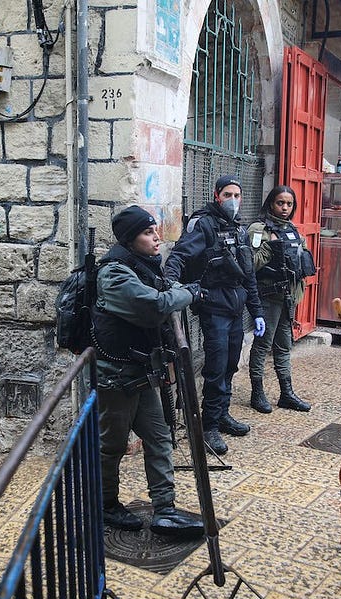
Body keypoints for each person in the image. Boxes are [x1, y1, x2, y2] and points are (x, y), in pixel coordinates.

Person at [93, 205, 205, 538]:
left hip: (139, 374)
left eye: (155, 230)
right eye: (147, 232)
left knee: (158, 438)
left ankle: (165, 510)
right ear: (130, 239)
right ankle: (105, 504)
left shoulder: (141, 266)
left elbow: (159, 296)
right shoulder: (113, 274)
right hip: (115, 376)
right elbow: (154, 305)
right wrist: (187, 292)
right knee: (111, 446)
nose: (157, 237)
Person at [164, 175, 265, 456]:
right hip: (213, 307)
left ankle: (222, 415)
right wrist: (172, 284)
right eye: (228, 195)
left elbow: (248, 275)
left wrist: (256, 311)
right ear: (217, 195)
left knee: (231, 364)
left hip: (235, 309)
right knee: (216, 366)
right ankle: (208, 426)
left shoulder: (239, 229)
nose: (233, 200)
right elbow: (179, 256)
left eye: (238, 195)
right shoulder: (203, 224)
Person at [246, 185, 313, 413]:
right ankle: (257, 392)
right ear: (271, 204)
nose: (285, 208)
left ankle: (287, 393)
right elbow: (249, 265)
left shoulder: (294, 231)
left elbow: (302, 265)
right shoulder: (258, 229)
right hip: (267, 298)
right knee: (263, 345)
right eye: (280, 203)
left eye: (289, 204)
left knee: (284, 346)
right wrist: (270, 247)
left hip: (287, 299)